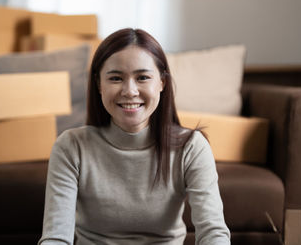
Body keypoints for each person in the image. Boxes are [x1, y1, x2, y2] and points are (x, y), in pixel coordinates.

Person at [38, 28, 230, 245]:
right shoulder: (71, 146)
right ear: (99, 84)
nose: (130, 91)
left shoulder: (192, 147)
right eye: (116, 78)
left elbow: (213, 233)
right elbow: (56, 238)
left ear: (162, 83)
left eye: (142, 77)